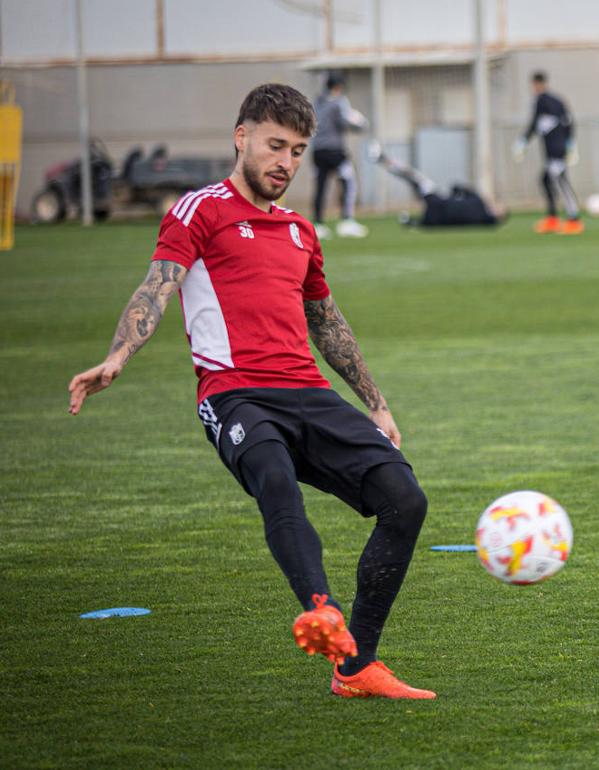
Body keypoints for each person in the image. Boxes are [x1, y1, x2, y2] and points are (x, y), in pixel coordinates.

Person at [67, 84, 435, 700]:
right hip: (235, 395)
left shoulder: (298, 230)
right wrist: (118, 355)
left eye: (295, 150)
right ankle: (322, 609)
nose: (285, 162)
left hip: (309, 392)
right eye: (274, 145)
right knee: (273, 475)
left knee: (405, 498)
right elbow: (157, 286)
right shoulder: (198, 210)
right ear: (241, 138)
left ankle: (358, 667)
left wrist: (375, 401)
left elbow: (327, 321)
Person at [370, 144, 507, 227]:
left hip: (438, 201)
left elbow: (457, 187)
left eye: (498, 208)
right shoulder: (483, 221)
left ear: (498, 215)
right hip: (436, 214)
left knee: (414, 176)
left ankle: (382, 158)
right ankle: (408, 220)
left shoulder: (480, 202)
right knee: (413, 179)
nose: (495, 205)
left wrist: (455, 193)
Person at [513, 71, 583, 235]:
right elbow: (567, 122)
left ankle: (574, 220)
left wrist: (523, 141)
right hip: (555, 150)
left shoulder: (543, 100)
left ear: (537, 84)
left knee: (561, 182)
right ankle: (552, 219)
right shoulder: (557, 101)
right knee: (545, 180)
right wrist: (570, 142)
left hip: (556, 151)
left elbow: (535, 123)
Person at [312, 72, 368, 239]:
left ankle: (318, 224)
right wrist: (362, 124)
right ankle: (347, 221)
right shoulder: (339, 101)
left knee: (321, 187)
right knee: (348, 182)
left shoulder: (317, 102)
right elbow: (346, 121)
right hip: (335, 151)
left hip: (317, 151)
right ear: (338, 87)